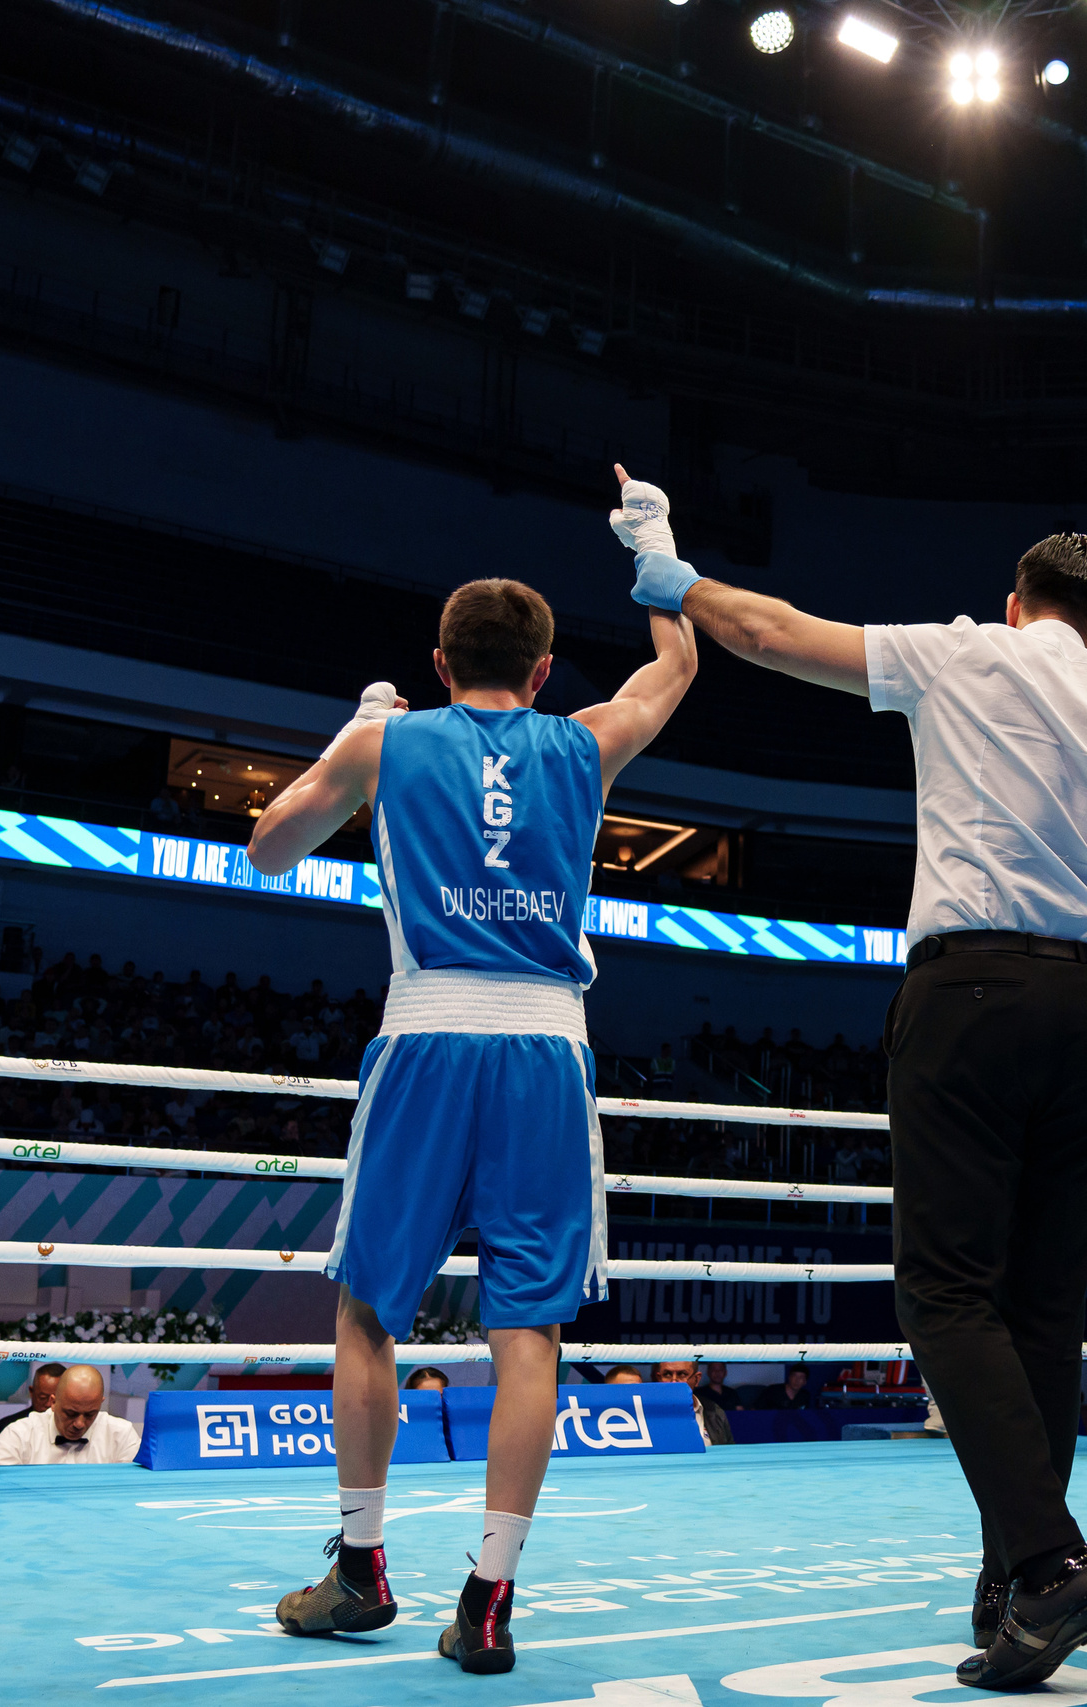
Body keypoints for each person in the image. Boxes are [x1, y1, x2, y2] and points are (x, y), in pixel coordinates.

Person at [606, 471, 1087, 1689]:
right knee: (1042, 1304)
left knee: (944, 1294)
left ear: (1013, 602)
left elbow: (770, 634)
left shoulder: (962, 654)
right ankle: (1014, 1588)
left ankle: (1048, 1561)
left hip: (971, 990)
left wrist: (668, 567)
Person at [245, 570, 696, 1675]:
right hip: (547, 1053)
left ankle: (359, 1573)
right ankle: (489, 1599)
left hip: (426, 1041)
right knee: (526, 1331)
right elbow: (676, 666)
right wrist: (653, 559)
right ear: (543, 672)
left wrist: (357, 733)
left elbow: (265, 847)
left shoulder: (387, 744)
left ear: (440, 664)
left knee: (367, 1313)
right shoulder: (584, 744)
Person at [0, 1364, 141, 1465]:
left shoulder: (122, 1434)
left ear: (100, 1403)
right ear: (53, 1402)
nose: (80, 1424)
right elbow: (0, 1492)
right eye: (70, 1413)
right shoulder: (17, 1436)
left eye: (90, 1414)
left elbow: (137, 1488)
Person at [656, 1360, 737, 1445]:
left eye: (682, 1374)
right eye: (667, 1374)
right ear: (659, 1378)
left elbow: (728, 1449)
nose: (674, 1381)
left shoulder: (715, 1411)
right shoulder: (647, 1413)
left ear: (697, 1379)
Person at [0, 1362, 66, 1438]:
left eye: (56, 1399)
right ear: (31, 1392)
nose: (49, 1404)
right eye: (43, 1397)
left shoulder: (75, 1427)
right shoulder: (8, 1426)